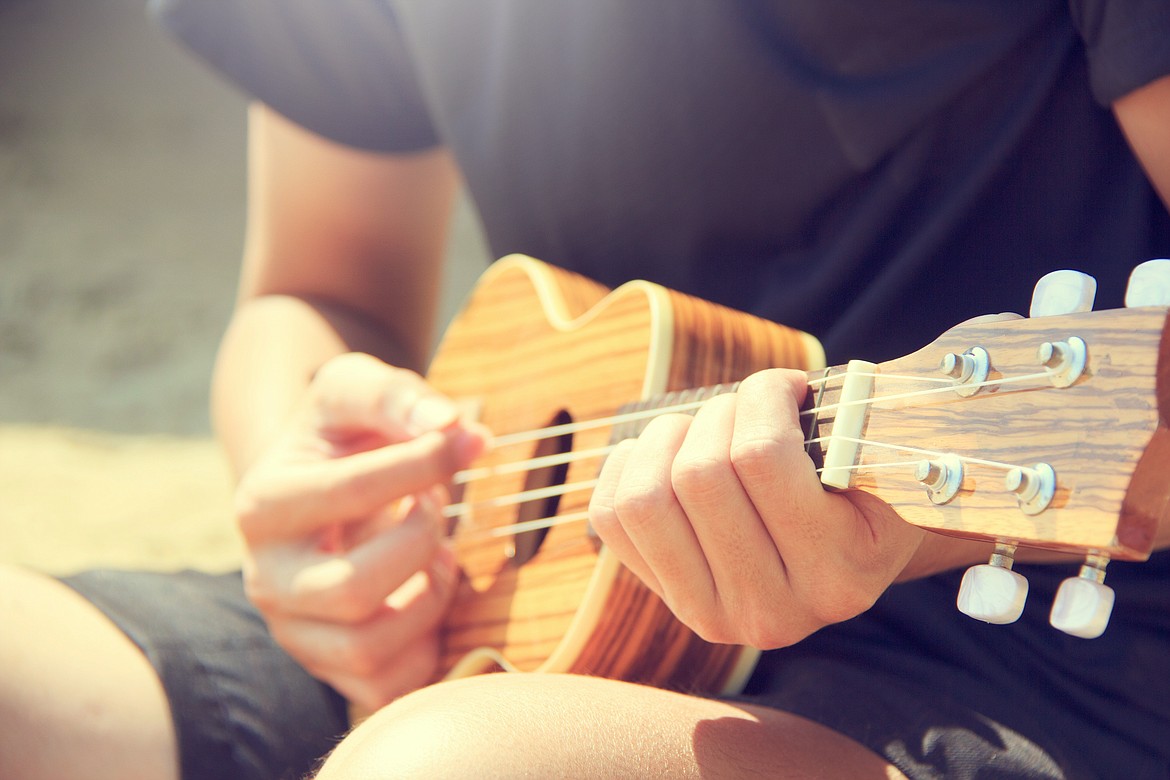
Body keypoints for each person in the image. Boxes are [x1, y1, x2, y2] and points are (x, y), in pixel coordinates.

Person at [3, 1, 1169, 778]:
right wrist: (315, 498)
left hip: (1031, 663)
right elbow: (318, 285)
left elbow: (1117, 412)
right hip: (498, 598)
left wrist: (909, 516)